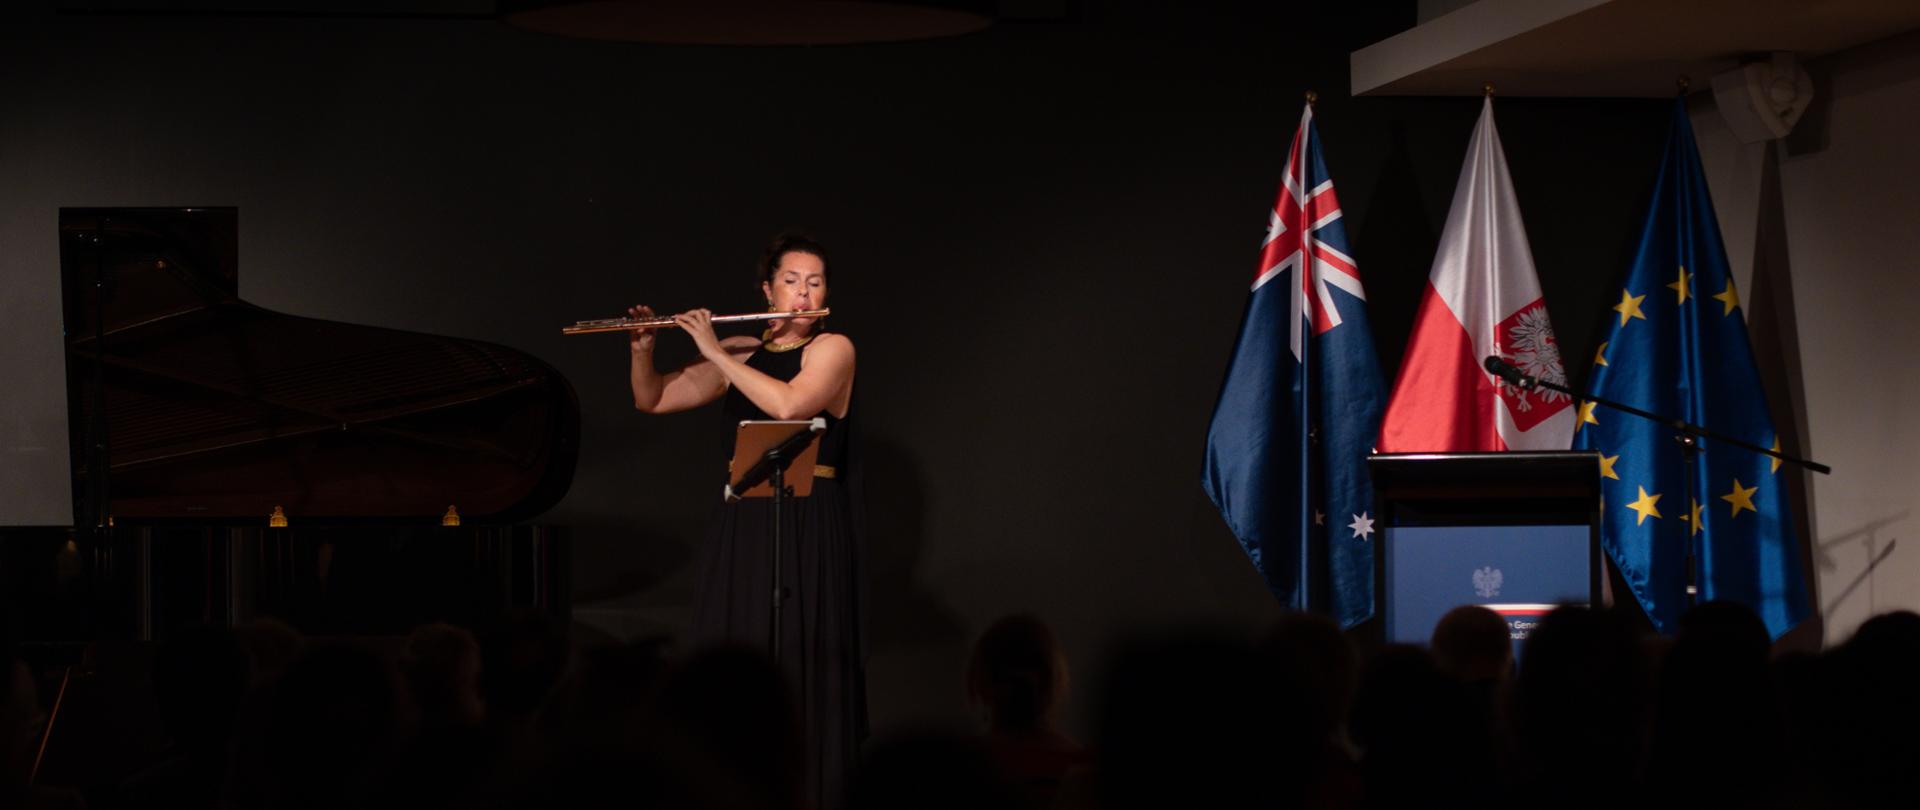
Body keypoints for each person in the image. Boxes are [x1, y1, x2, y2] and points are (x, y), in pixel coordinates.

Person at [627, 230, 864, 810]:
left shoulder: (833, 348)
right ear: (767, 289)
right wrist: (642, 350)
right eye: (791, 281)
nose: (803, 294)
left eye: (815, 283)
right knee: (736, 649)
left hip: (807, 516)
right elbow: (652, 399)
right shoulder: (739, 349)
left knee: (798, 654)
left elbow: (789, 405)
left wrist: (713, 352)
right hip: (744, 517)